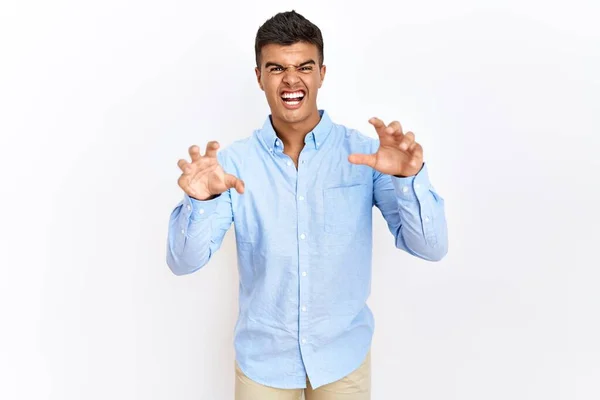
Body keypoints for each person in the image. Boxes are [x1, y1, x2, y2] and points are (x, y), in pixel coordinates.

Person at [166, 10, 448, 400]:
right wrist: (200, 201)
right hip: (263, 362)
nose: (292, 79)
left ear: (322, 73)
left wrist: (407, 180)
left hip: (341, 358)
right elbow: (183, 262)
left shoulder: (366, 156)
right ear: (259, 76)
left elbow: (430, 248)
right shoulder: (231, 166)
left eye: (304, 66)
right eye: (277, 68)